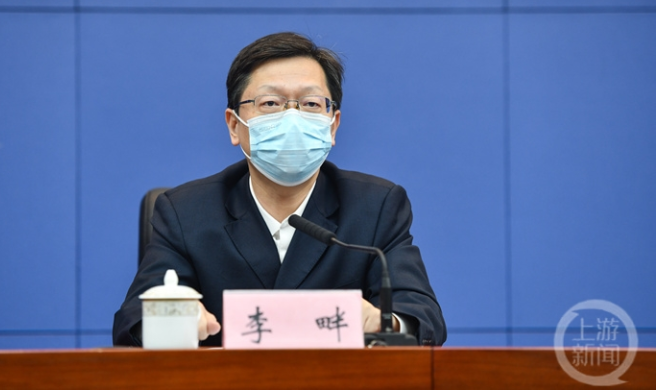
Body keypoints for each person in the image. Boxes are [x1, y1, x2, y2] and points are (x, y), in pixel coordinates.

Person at [113, 32, 446, 347]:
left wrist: (383, 322)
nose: (292, 118)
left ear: (333, 125)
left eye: (311, 104)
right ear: (234, 125)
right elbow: (132, 322)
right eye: (270, 102)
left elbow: (421, 316)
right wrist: (170, 320)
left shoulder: (376, 206)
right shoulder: (186, 211)